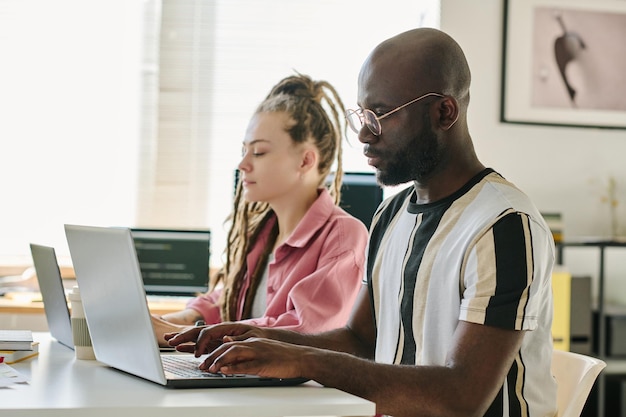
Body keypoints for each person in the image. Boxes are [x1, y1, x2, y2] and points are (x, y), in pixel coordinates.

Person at [166, 28, 557, 417]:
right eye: (361, 113)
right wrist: (262, 339)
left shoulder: (504, 225)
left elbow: (459, 397)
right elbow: (359, 339)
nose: (364, 133)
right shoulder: (391, 216)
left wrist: (306, 361)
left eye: (381, 114)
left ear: (444, 112)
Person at [151, 73, 369, 347]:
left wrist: (188, 335)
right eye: (244, 151)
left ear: (305, 160)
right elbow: (226, 299)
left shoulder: (343, 236)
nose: (243, 164)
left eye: (259, 152)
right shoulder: (263, 232)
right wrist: (178, 322)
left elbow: (304, 328)